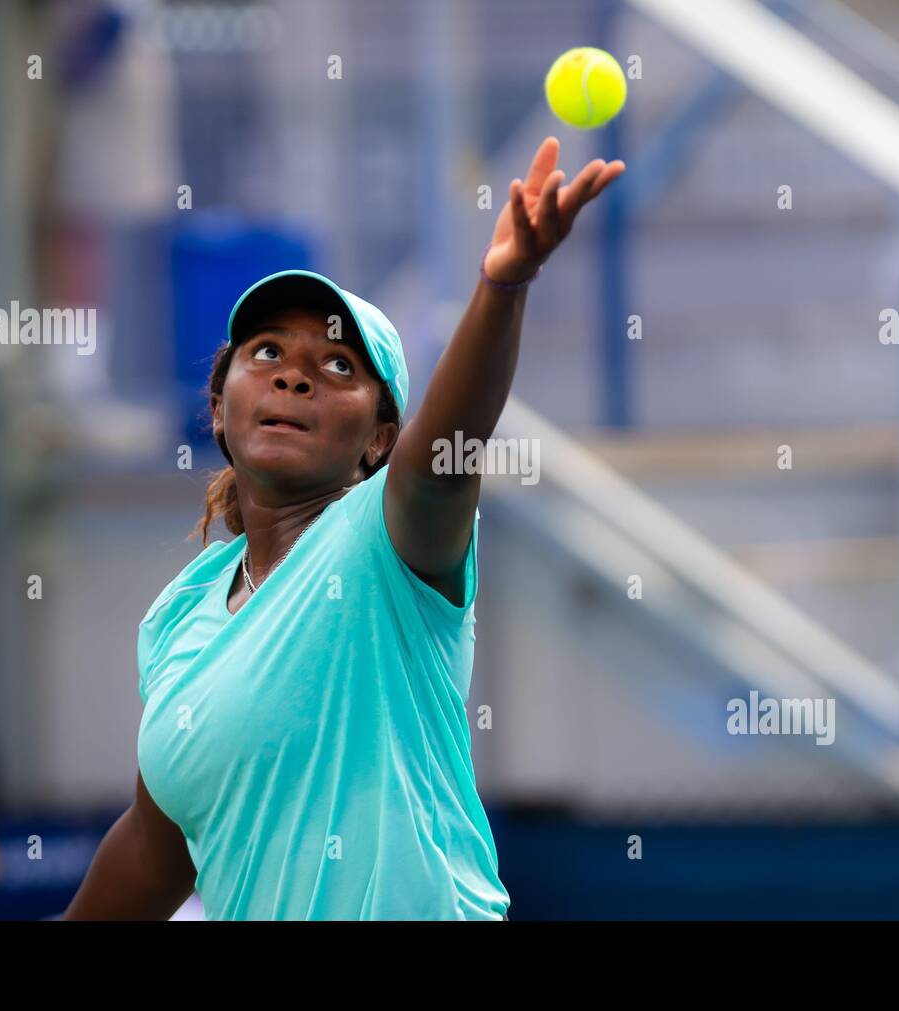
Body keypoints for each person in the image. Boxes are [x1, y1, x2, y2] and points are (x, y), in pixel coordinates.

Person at [62, 136, 625, 919]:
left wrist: (504, 285)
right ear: (220, 408)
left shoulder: (384, 540)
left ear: (377, 437)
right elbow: (158, 843)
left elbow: (442, 459)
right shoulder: (176, 618)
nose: (295, 373)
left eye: (338, 366)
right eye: (266, 353)